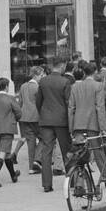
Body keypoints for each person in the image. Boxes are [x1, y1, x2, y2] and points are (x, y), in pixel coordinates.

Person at [70, 63, 106, 184]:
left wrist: (71, 128)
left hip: (78, 125)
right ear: (95, 72)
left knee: (79, 155)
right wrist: (103, 128)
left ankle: (78, 183)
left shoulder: (75, 87)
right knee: (99, 152)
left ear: (84, 73)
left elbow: (71, 108)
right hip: (93, 124)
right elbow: (100, 108)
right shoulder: (98, 86)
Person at [37, 59, 73, 193]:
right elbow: (68, 102)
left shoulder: (43, 81)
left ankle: (47, 184)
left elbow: (38, 101)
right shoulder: (65, 81)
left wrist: (43, 113)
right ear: (62, 66)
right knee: (66, 151)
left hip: (46, 119)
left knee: (46, 152)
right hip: (61, 120)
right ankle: (72, 180)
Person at [0, 77, 22, 188]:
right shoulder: (10, 98)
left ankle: (13, 175)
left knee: (6, 152)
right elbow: (18, 112)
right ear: (6, 87)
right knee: (2, 152)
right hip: (7, 129)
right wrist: (14, 120)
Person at [16, 66, 41, 175]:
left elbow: (20, 102)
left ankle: (31, 167)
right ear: (37, 74)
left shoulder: (23, 86)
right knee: (45, 139)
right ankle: (37, 160)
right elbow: (40, 103)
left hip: (24, 116)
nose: (42, 77)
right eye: (41, 75)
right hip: (36, 116)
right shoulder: (37, 87)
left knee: (30, 142)